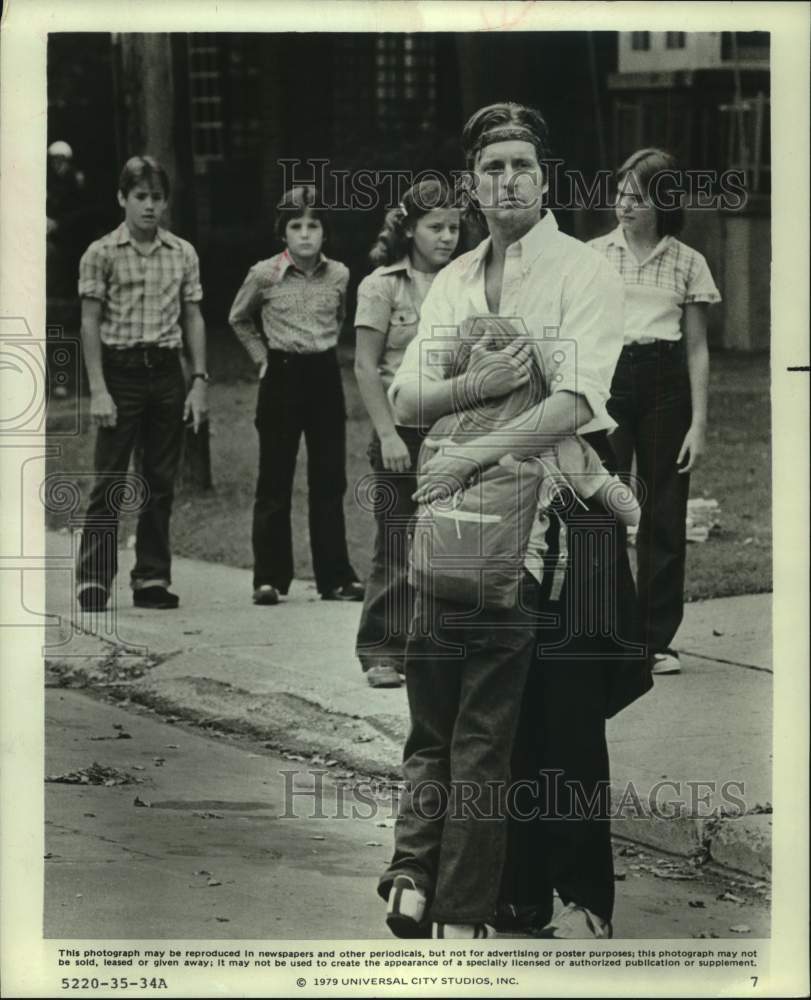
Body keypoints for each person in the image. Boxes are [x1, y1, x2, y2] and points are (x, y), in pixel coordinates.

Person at [378, 102, 651, 940]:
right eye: (491, 168)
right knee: (472, 716)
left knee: (557, 714)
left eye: (521, 166)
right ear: (470, 184)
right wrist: (468, 390)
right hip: (464, 519)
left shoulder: (580, 271)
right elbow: (405, 394)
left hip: (559, 515)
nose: (506, 181)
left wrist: (470, 452)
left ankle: (558, 892)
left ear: (544, 178)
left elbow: (575, 401)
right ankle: (492, 896)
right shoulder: (456, 278)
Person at [590, 149, 721, 676]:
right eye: (620, 194)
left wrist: (699, 424)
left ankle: (653, 640)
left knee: (663, 511)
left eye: (637, 197)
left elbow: (697, 348)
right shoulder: (594, 255)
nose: (624, 205)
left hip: (667, 384)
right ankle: (606, 633)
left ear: (663, 202)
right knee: (602, 502)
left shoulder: (689, 262)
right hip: (609, 379)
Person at [75, 155, 208, 612]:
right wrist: (98, 389)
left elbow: (193, 316)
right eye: (140, 197)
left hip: (167, 372)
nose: (149, 206)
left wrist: (199, 380)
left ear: (166, 202)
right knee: (110, 478)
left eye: (156, 197)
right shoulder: (101, 253)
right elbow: (89, 322)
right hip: (120, 371)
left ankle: (152, 576)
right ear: (122, 198)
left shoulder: (182, 252)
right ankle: (93, 579)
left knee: (159, 478)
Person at [229, 186, 364, 606]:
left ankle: (335, 577)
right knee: (275, 478)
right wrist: (262, 359)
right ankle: (269, 578)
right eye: (296, 226)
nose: (305, 234)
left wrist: (322, 349)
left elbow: (340, 317)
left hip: (324, 375)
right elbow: (239, 318)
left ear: (325, 231)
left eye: (313, 225)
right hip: (281, 376)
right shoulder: (264, 274)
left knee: (329, 479)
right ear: (283, 232)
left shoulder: (339, 274)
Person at [353, 179, 461, 688]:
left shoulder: (465, 281)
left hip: (454, 430)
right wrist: (388, 436)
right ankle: (382, 650)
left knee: (452, 541)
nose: (447, 237)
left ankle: (437, 647)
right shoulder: (382, 286)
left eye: (454, 227)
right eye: (436, 227)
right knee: (396, 540)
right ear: (410, 228)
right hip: (401, 430)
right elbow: (365, 367)